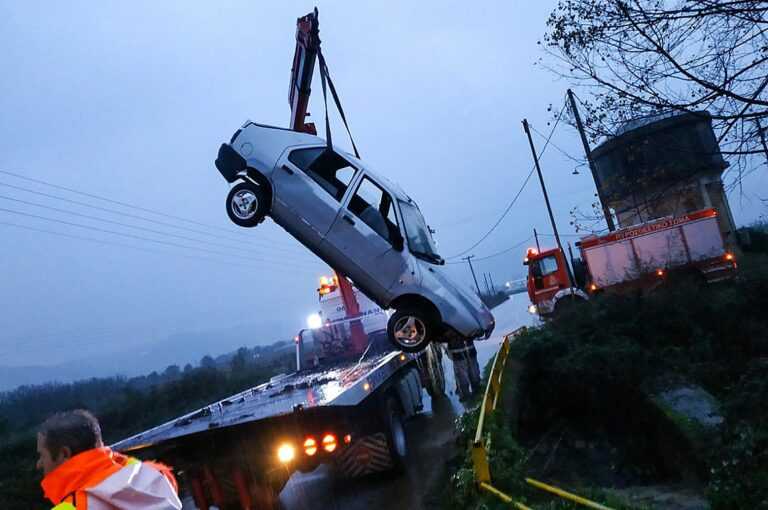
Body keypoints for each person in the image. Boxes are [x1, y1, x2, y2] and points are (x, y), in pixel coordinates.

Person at [37, 409, 182, 510]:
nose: (39, 464)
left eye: (42, 455)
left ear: (64, 453)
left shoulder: (73, 507)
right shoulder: (151, 476)